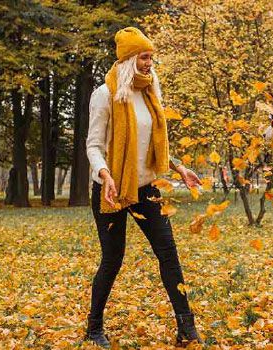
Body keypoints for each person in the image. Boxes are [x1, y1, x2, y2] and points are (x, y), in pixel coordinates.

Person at [85, 27, 203, 348]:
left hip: (147, 187)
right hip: (111, 189)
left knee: (169, 254)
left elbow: (155, 140)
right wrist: (106, 175)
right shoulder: (105, 94)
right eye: (144, 57)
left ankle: (186, 328)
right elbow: (94, 145)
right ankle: (94, 328)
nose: (150, 62)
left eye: (151, 57)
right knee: (113, 260)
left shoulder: (151, 89)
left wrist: (178, 167)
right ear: (128, 59)